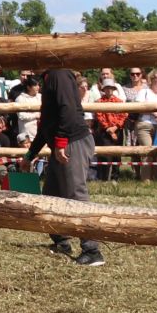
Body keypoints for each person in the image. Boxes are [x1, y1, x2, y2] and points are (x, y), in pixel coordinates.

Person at [22, 66, 103, 267]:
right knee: (51, 192)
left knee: (76, 194)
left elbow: (67, 108)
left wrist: (60, 142)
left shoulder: (59, 75)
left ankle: (92, 250)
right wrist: (29, 155)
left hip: (72, 141)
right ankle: (61, 240)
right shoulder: (50, 77)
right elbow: (46, 125)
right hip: (64, 143)